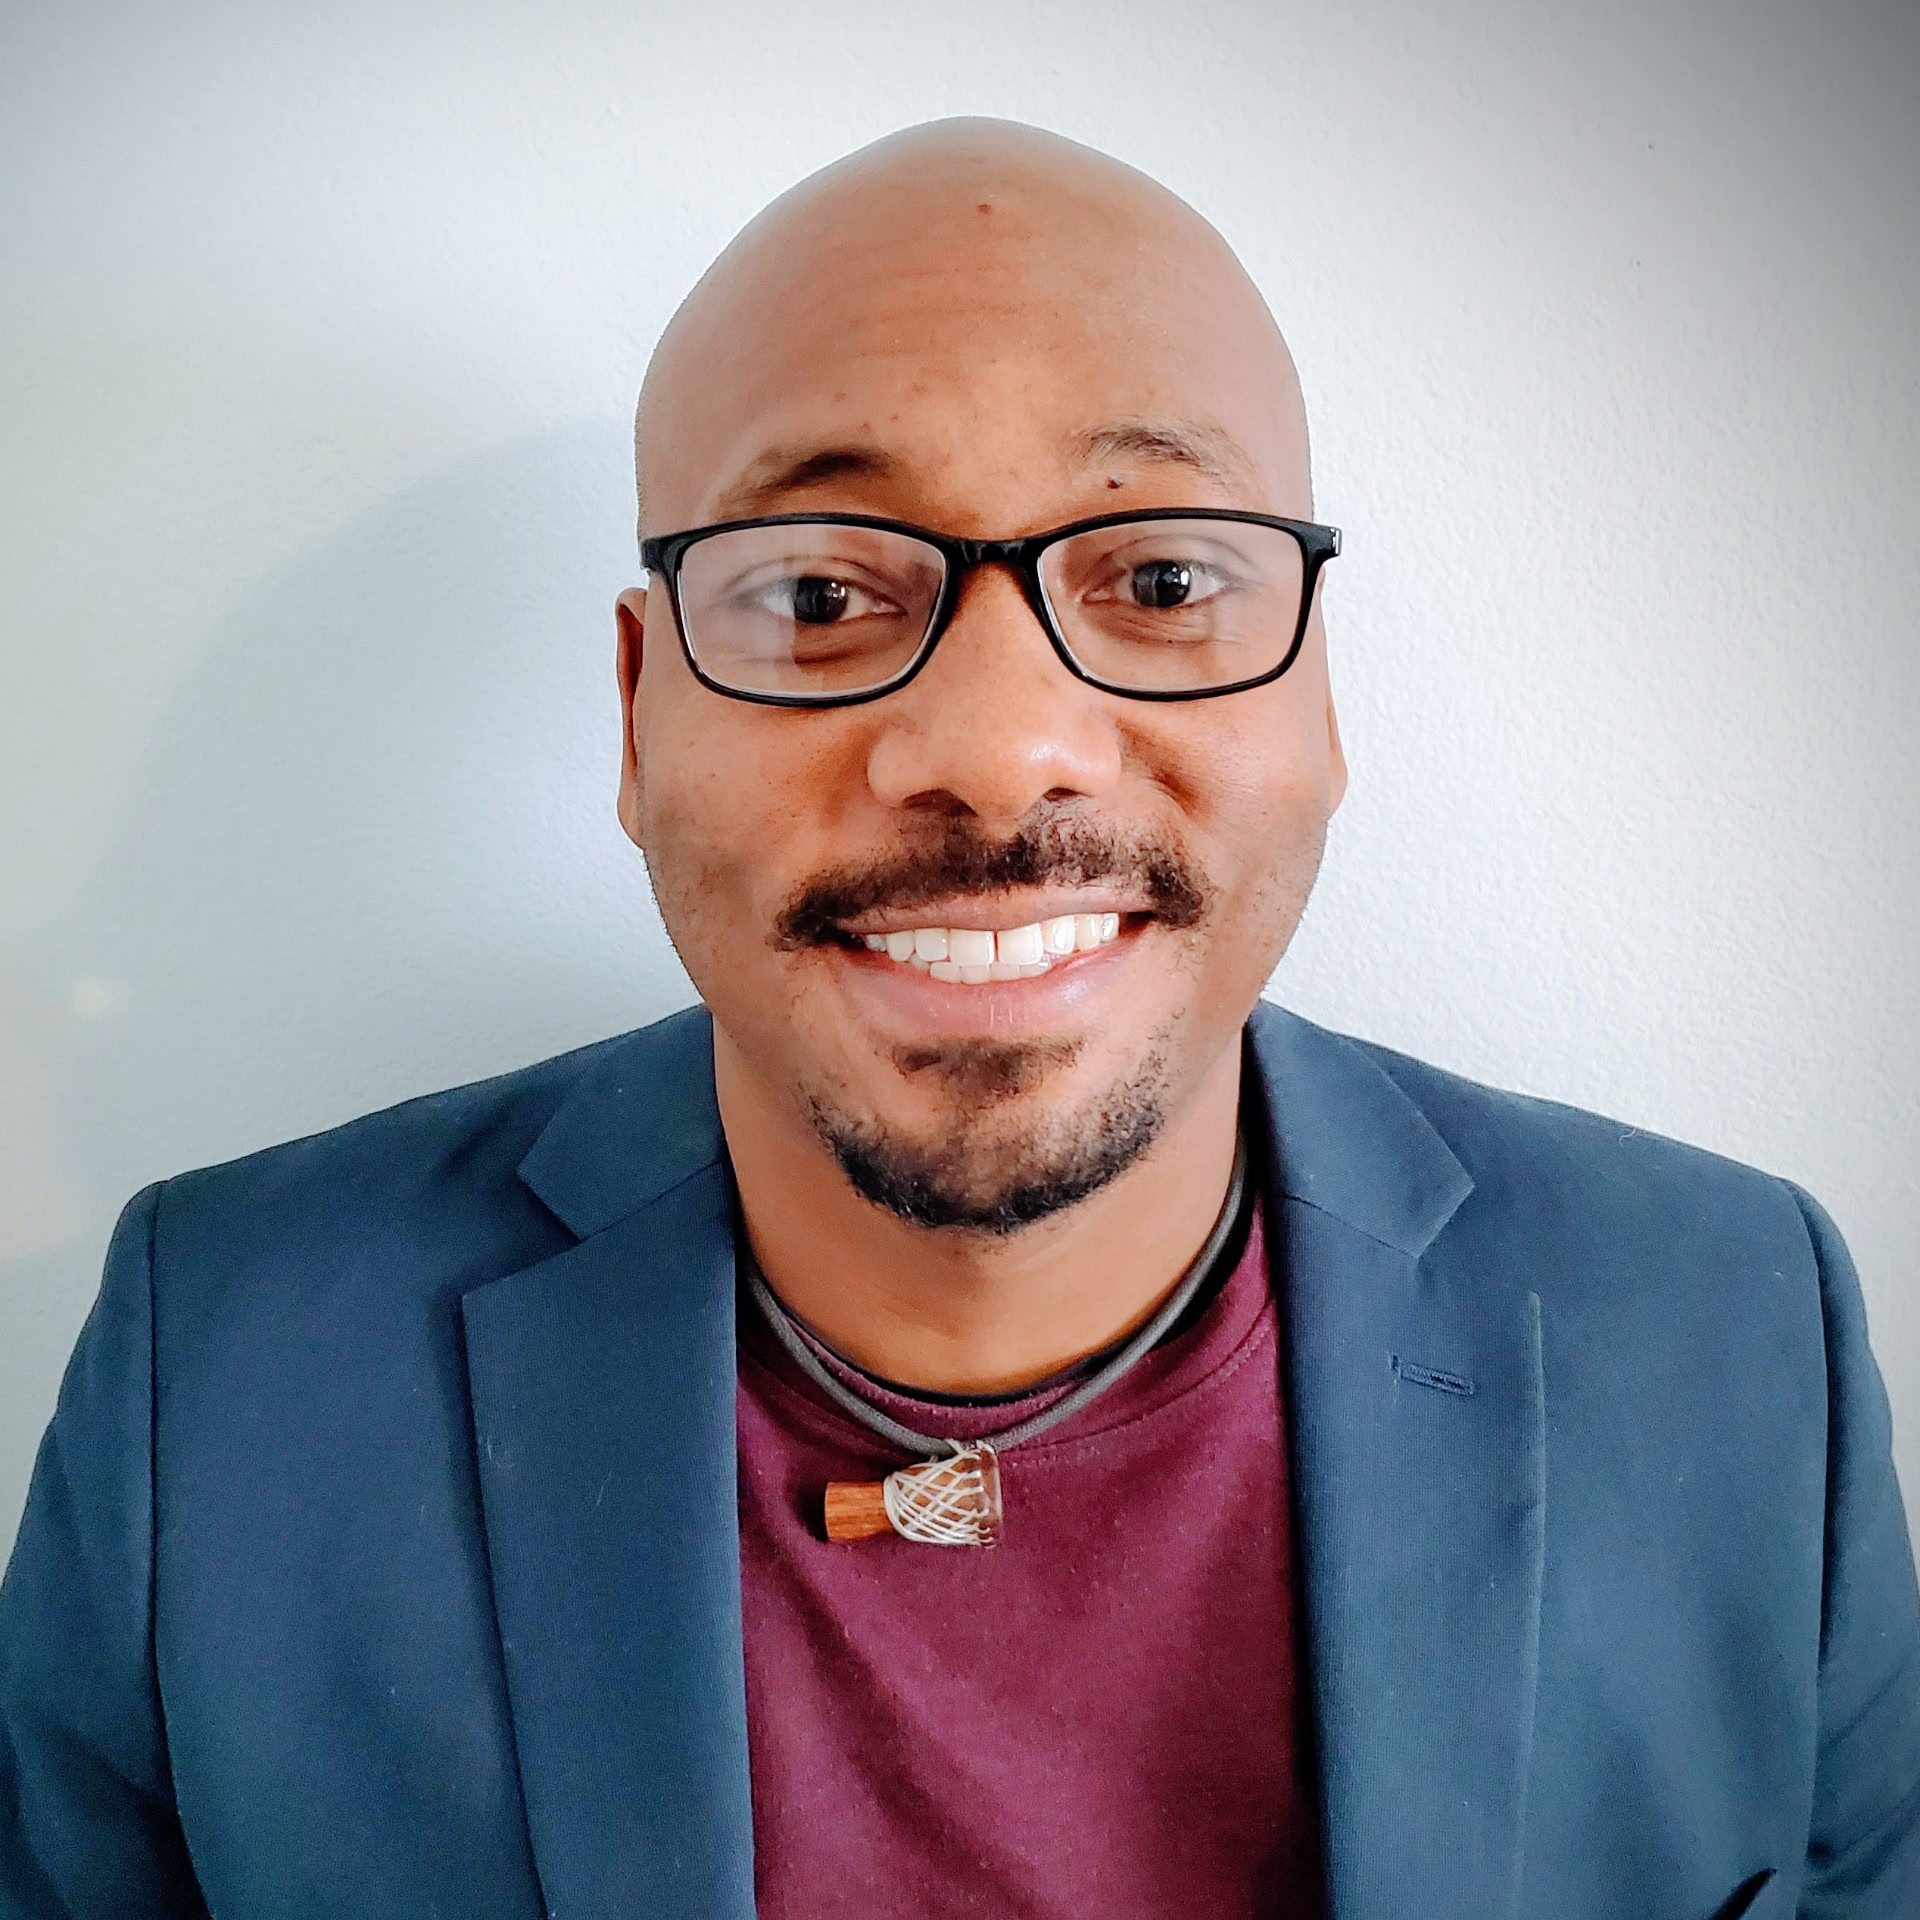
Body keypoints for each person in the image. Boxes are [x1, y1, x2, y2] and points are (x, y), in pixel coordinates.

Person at [2, 116, 1915, 1920]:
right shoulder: (221, 1379)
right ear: (638, 716)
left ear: (1320, 697)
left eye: (1159, 576)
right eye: (819, 593)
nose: (1000, 751)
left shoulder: (1735, 1339)